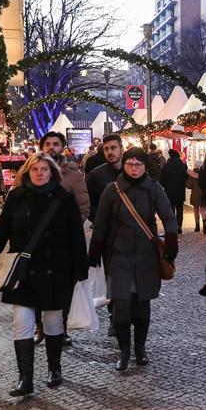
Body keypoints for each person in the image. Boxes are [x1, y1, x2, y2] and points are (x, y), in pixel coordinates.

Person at [0, 154, 88, 397]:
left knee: (52, 321)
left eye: (44, 169)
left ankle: (54, 368)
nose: (40, 173)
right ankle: (25, 378)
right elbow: (2, 232)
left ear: (52, 172)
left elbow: (76, 237)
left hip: (56, 269)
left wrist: (81, 269)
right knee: (22, 322)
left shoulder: (64, 199)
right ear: (27, 173)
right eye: (35, 169)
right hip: (23, 272)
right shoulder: (16, 198)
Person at [89, 147, 178, 372]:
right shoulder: (113, 190)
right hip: (119, 255)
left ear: (145, 167)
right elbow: (100, 223)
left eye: (139, 164)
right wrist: (95, 251)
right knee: (121, 305)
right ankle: (124, 350)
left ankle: (140, 347)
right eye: (130, 164)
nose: (134, 168)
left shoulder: (154, 188)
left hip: (146, 256)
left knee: (141, 306)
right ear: (124, 165)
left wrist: (171, 240)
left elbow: (168, 215)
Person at [39, 131, 92, 346]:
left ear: (63, 147)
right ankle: (39, 326)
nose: (52, 147)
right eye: (48, 144)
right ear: (41, 147)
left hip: (64, 244)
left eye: (56, 144)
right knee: (37, 284)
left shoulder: (73, 173)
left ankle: (60, 327)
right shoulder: (32, 171)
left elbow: (84, 206)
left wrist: (68, 229)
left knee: (65, 286)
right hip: (38, 243)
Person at [85, 133, 124, 336]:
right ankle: (115, 317)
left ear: (121, 149)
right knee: (112, 278)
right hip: (108, 237)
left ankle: (131, 315)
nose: (110, 152)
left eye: (113, 148)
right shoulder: (96, 176)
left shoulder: (132, 170)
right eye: (107, 149)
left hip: (132, 237)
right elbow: (90, 204)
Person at [159, 149, 188, 232]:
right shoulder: (183, 165)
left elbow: (161, 179)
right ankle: (179, 226)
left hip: (169, 191)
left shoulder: (166, 166)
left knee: (171, 210)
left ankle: (172, 226)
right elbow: (186, 177)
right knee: (180, 209)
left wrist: (166, 186)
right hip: (180, 191)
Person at [187, 163, 206, 233]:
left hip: (195, 195)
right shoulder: (204, 174)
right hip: (203, 195)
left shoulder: (192, 175)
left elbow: (189, 185)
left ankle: (197, 226)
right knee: (203, 209)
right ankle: (205, 223)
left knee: (196, 210)